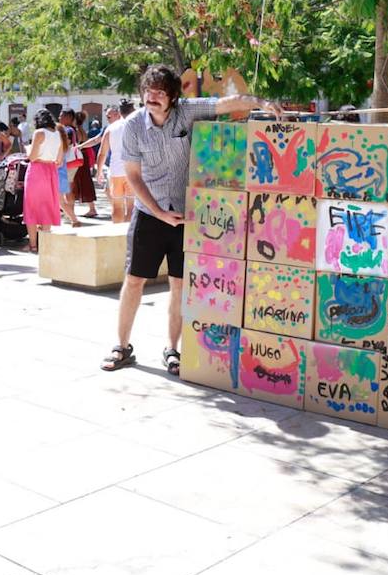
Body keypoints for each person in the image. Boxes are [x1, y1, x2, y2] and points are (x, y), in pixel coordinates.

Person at [104, 65, 280, 374]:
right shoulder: (132, 126)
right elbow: (132, 176)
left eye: (160, 92)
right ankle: (122, 345)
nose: (152, 97)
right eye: (148, 91)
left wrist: (262, 103)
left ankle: (172, 349)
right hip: (150, 213)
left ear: (173, 95)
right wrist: (158, 213)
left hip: (188, 216)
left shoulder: (187, 111)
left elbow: (228, 102)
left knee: (180, 284)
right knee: (133, 281)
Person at [23, 109, 64, 252]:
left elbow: (32, 157)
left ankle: (33, 245)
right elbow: (59, 160)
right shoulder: (58, 134)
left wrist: (27, 149)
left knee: (31, 207)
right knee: (47, 207)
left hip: (37, 170)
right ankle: (45, 245)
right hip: (51, 171)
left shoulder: (39, 133)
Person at [60, 109, 98, 221]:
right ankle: (71, 211)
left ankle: (71, 212)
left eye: (62, 116)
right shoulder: (78, 130)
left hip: (75, 159)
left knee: (75, 185)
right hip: (80, 158)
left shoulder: (71, 130)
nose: (59, 118)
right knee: (79, 184)